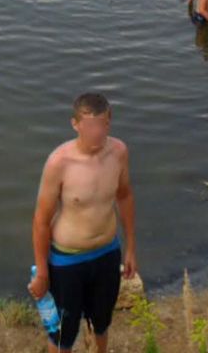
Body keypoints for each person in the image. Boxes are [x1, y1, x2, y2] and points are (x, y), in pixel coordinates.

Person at [28, 93, 138, 353]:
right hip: (68, 260)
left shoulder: (119, 152)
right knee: (63, 333)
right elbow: (41, 221)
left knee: (101, 322)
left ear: (109, 123)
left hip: (107, 252)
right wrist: (42, 272)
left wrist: (131, 247)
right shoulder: (59, 162)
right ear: (75, 124)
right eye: (90, 125)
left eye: (102, 124)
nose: (97, 132)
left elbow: (124, 196)